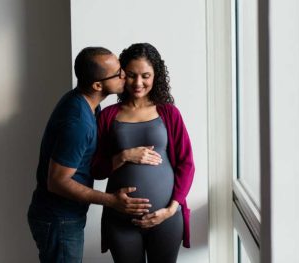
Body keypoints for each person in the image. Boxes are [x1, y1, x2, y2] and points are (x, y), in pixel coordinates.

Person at [27, 47, 153, 263]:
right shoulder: (78, 122)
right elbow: (57, 182)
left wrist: (123, 156)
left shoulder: (87, 104)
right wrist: (111, 201)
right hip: (59, 219)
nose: (124, 75)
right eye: (118, 74)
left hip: (65, 216)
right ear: (97, 85)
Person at [91, 43, 195, 263]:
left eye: (145, 75)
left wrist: (170, 209)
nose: (138, 83)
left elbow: (186, 164)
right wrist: (123, 156)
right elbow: (95, 168)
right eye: (131, 75)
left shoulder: (169, 113)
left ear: (155, 75)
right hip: (120, 221)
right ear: (121, 75)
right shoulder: (108, 116)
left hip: (165, 219)